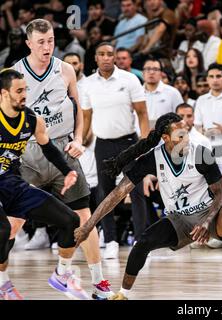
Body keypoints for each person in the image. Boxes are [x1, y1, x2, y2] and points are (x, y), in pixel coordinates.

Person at [73, 113, 222, 300]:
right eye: (179, 136)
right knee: (142, 244)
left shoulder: (200, 153)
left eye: (186, 133)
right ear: (165, 139)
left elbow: (220, 195)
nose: (185, 139)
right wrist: (88, 226)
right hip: (178, 220)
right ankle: (123, 294)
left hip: (211, 211)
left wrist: (206, 221)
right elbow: (116, 194)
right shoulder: (151, 159)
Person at [12, 19, 113, 299]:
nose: (47, 47)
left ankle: (99, 282)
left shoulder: (65, 69)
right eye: (41, 42)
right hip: (29, 150)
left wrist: (79, 139)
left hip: (62, 149)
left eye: (51, 41)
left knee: (84, 217)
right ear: (29, 43)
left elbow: (78, 108)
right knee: (13, 221)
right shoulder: (14, 73)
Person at [0, 69, 86, 300]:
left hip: (12, 184)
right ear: (3, 94)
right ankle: (2, 285)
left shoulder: (31, 118)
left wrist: (67, 171)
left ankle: (62, 274)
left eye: (25, 90)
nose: (24, 95)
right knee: (4, 229)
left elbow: (47, 147)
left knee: (71, 221)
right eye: (18, 91)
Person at [81, 42, 150, 260]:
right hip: (102, 143)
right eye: (101, 54)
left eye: (110, 54)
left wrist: (145, 144)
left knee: (136, 191)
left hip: (129, 142)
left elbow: (142, 114)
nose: (106, 58)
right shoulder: (88, 84)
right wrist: (79, 141)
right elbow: (86, 118)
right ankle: (110, 240)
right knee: (105, 193)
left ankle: (140, 241)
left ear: (115, 57)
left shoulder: (129, 80)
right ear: (96, 58)